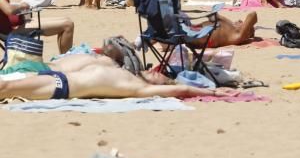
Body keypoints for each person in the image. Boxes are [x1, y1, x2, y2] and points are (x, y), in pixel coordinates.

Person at [0, 60, 221, 101]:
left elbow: (180, 90)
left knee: (6, 87)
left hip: (61, 86)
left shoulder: (137, 88)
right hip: (53, 77)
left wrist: (212, 93)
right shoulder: (125, 72)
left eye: (161, 76)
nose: (157, 71)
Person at [0, 0, 74, 54]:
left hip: (18, 23)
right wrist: (21, 6)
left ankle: (63, 59)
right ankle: (66, 63)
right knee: (68, 25)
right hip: (12, 30)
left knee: (67, 20)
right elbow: (8, 10)